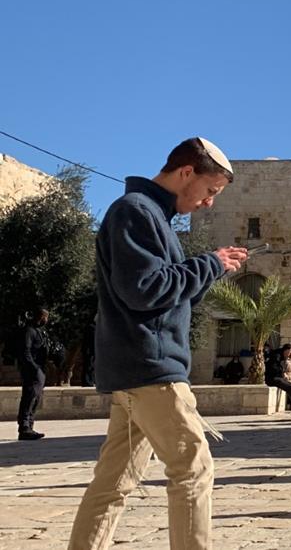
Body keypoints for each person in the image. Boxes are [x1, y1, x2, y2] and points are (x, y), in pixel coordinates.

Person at [69, 137, 248, 550]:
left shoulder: (153, 217)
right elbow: (144, 290)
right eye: (210, 192)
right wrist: (209, 263)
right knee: (193, 468)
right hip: (151, 370)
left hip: (135, 370)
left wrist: (211, 270)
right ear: (186, 173)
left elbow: (164, 292)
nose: (209, 204)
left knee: (114, 482)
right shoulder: (136, 212)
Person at [16, 309, 49, 441]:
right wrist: (34, 368)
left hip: (39, 369)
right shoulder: (29, 331)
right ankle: (24, 428)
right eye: (45, 317)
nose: (46, 320)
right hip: (32, 371)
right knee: (29, 398)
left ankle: (29, 426)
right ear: (41, 317)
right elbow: (26, 351)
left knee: (35, 399)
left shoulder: (38, 331)